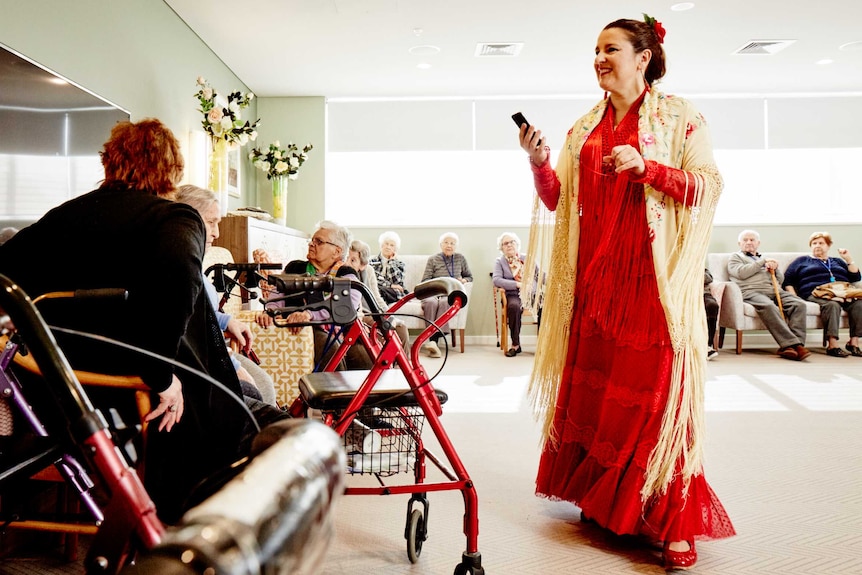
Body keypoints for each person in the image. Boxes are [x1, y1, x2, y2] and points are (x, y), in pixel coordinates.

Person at [517, 16, 735, 570]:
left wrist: (649, 169)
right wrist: (541, 163)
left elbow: (708, 185)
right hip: (595, 281)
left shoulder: (681, 116)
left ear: (644, 58)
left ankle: (671, 520)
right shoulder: (584, 127)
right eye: (594, 50)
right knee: (600, 399)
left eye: (609, 49)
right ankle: (605, 503)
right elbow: (559, 202)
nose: (598, 58)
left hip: (653, 284)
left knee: (659, 400)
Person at [0, 119, 288, 524]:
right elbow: (178, 292)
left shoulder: (61, 217)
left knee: (257, 415)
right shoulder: (174, 219)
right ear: (171, 171)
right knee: (287, 434)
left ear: (110, 164)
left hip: (67, 398)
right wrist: (162, 376)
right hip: (149, 401)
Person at [174, 184, 274, 399]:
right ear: (187, 218)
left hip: (215, 350)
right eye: (211, 223)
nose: (217, 233)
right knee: (255, 392)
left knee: (265, 386)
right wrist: (233, 361)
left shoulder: (195, 259)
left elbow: (203, 310)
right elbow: (193, 326)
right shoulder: (181, 265)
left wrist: (227, 320)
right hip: (204, 357)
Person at [255, 221, 373, 370]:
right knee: (327, 344)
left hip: (341, 332)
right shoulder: (295, 267)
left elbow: (347, 305)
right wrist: (270, 312)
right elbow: (277, 294)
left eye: (319, 241)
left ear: (337, 251)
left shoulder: (346, 273)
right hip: (304, 331)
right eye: (312, 240)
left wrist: (309, 314)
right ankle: (333, 393)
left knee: (365, 359)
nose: (311, 244)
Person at [728, 230, 811, 361]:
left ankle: (793, 347)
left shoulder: (764, 258)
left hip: (774, 290)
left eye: (752, 240)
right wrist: (762, 262)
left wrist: (776, 269)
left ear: (758, 243)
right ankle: (793, 345)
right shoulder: (736, 257)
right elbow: (741, 273)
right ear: (739, 243)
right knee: (768, 306)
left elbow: (780, 280)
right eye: (745, 240)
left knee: (799, 304)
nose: (749, 242)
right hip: (751, 291)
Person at [783, 231, 862, 357]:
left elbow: (855, 277)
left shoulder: (837, 261)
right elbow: (788, 280)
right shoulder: (802, 261)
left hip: (843, 293)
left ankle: (854, 343)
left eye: (821, 243)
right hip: (816, 293)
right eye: (814, 243)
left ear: (828, 246)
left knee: (859, 304)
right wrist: (795, 298)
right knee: (832, 305)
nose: (817, 245)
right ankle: (832, 345)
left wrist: (848, 259)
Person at [347, 239, 411, 354]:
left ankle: (402, 367)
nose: (347, 263)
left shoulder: (369, 270)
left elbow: (376, 297)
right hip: (359, 316)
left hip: (372, 313)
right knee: (385, 337)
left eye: (353, 260)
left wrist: (389, 316)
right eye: (346, 258)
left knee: (401, 329)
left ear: (363, 265)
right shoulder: (343, 272)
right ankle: (386, 367)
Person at [419, 232, 472, 358]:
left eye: (452, 243)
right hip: (434, 291)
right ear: (441, 245)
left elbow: (469, 276)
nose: (449, 245)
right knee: (431, 303)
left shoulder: (460, 258)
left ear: (456, 246)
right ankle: (433, 340)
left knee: (445, 303)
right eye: (446, 242)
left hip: (450, 293)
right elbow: (425, 280)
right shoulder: (433, 259)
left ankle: (433, 341)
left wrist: (463, 281)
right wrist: (437, 285)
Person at [492, 232, 527, 357]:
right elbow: (496, 280)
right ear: (502, 248)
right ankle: (515, 344)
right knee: (513, 307)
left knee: (544, 306)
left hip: (530, 293)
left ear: (517, 244)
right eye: (505, 243)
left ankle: (544, 344)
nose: (509, 245)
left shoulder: (526, 258)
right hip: (513, 294)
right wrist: (516, 284)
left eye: (512, 242)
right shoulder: (500, 261)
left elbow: (539, 275)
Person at [369, 231, 408, 304]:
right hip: (378, 290)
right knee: (377, 290)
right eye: (386, 244)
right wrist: (390, 285)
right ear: (381, 245)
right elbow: (374, 280)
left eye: (392, 245)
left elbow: (397, 282)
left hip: (394, 293)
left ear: (395, 249)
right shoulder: (372, 262)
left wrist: (391, 262)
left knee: (379, 291)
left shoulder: (400, 264)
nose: (388, 247)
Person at [704, 269, 719, 360]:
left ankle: (708, 346)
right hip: (686, 295)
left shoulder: (701, 266)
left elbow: (709, 278)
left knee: (712, 306)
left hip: (703, 295)